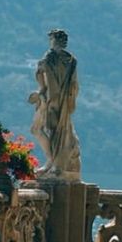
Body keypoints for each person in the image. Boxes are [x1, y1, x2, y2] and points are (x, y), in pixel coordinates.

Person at [29, 28, 81, 180]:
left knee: (43, 129)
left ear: (53, 40)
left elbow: (42, 79)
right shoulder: (71, 60)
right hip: (64, 101)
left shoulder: (49, 58)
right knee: (57, 131)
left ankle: (52, 162)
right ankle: (53, 162)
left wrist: (41, 93)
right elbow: (74, 84)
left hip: (50, 99)